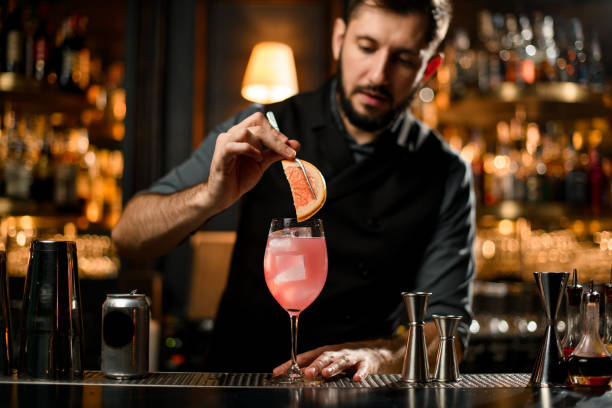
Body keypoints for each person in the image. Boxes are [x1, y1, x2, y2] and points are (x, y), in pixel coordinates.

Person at [112, 0, 475, 381]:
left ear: (429, 68)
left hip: (361, 392)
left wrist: (376, 356)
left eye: (402, 59)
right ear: (339, 40)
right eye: (366, 47)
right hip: (241, 382)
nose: (378, 74)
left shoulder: (445, 171)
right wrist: (208, 196)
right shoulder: (264, 128)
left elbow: (448, 334)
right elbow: (128, 238)